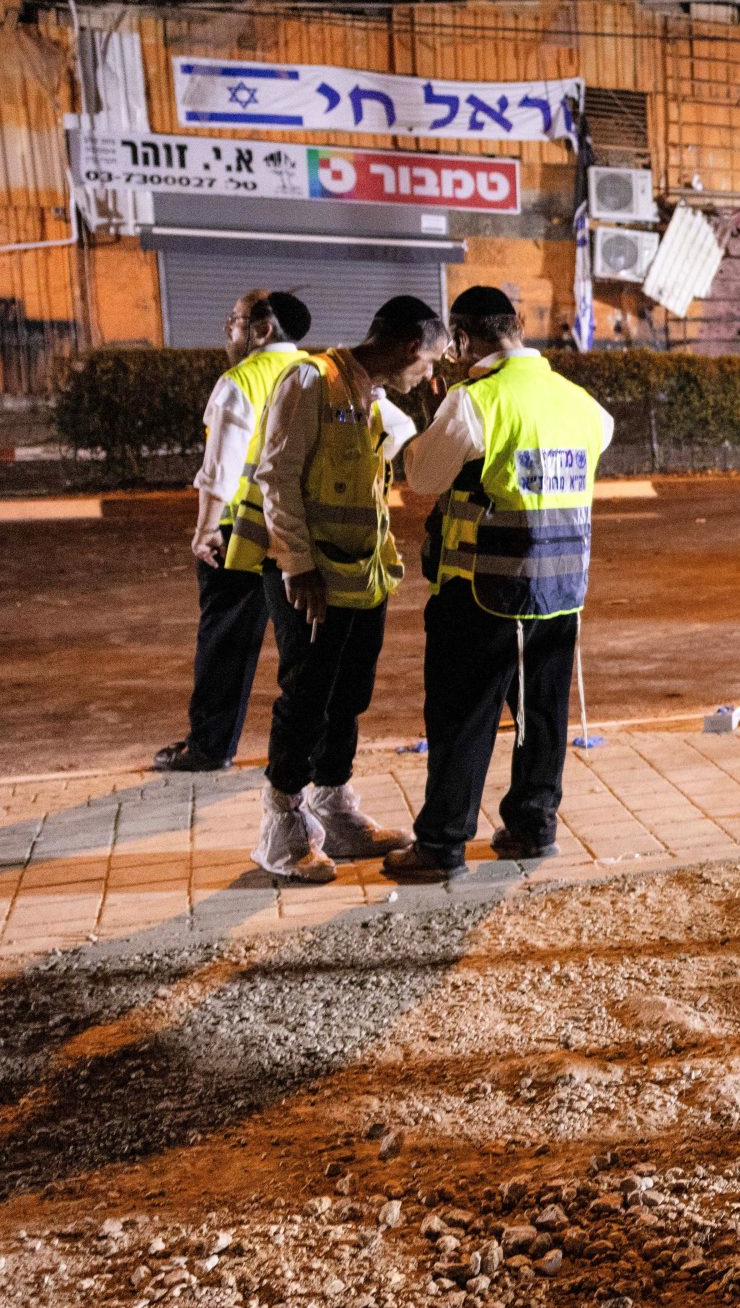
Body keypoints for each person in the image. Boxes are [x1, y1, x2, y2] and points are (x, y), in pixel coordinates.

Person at [384, 286, 614, 882]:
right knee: (541, 714)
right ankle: (534, 827)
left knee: (462, 716)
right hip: (559, 592)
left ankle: (440, 844)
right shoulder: (580, 403)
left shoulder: (474, 401)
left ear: (462, 339)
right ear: (515, 326)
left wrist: (431, 424)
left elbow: (422, 477)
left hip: (481, 593)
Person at [251, 296, 445, 880]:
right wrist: (297, 566)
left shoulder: (374, 400)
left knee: (348, 697)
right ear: (412, 346)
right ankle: (281, 827)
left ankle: (333, 809)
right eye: (432, 360)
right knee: (306, 697)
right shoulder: (311, 381)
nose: (431, 374)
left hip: (363, 578)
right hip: (310, 578)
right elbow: (276, 477)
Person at [153, 289, 310, 774]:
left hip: (239, 533)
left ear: (263, 330)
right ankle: (309, 753)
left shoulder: (239, 382)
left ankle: (210, 746)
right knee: (304, 653)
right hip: (302, 535)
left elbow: (219, 468)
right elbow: (391, 432)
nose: (229, 328)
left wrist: (204, 530)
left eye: (236, 320)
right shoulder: (320, 374)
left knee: (226, 643)